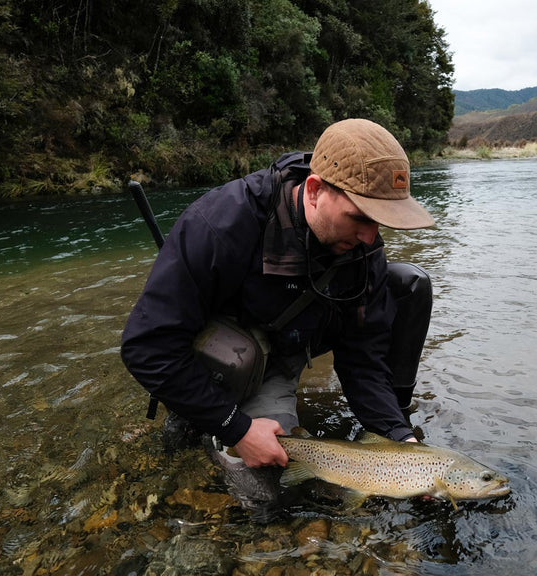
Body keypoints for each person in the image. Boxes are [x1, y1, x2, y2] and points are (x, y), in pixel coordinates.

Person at [120, 118, 435, 473]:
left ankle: (393, 415)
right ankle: (196, 415)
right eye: (360, 217)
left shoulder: (365, 249)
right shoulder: (220, 223)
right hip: (231, 357)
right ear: (314, 190)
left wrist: (398, 438)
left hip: (294, 342)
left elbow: (363, 358)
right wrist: (235, 427)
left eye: (382, 220)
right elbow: (146, 346)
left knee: (409, 284)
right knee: (268, 485)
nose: (370, 237)